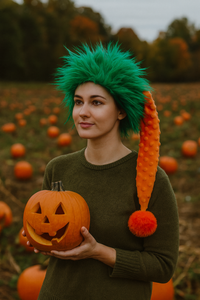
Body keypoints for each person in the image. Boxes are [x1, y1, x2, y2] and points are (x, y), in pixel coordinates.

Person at [24, 43, 179, 300]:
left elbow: (162, 266)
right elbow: (54, 229)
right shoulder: (58, 168)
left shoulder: (150, 179)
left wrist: (98, 251)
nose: (83, 112)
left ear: (120, 110)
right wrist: (39, 237)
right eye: (78, 102)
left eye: (96, 102)